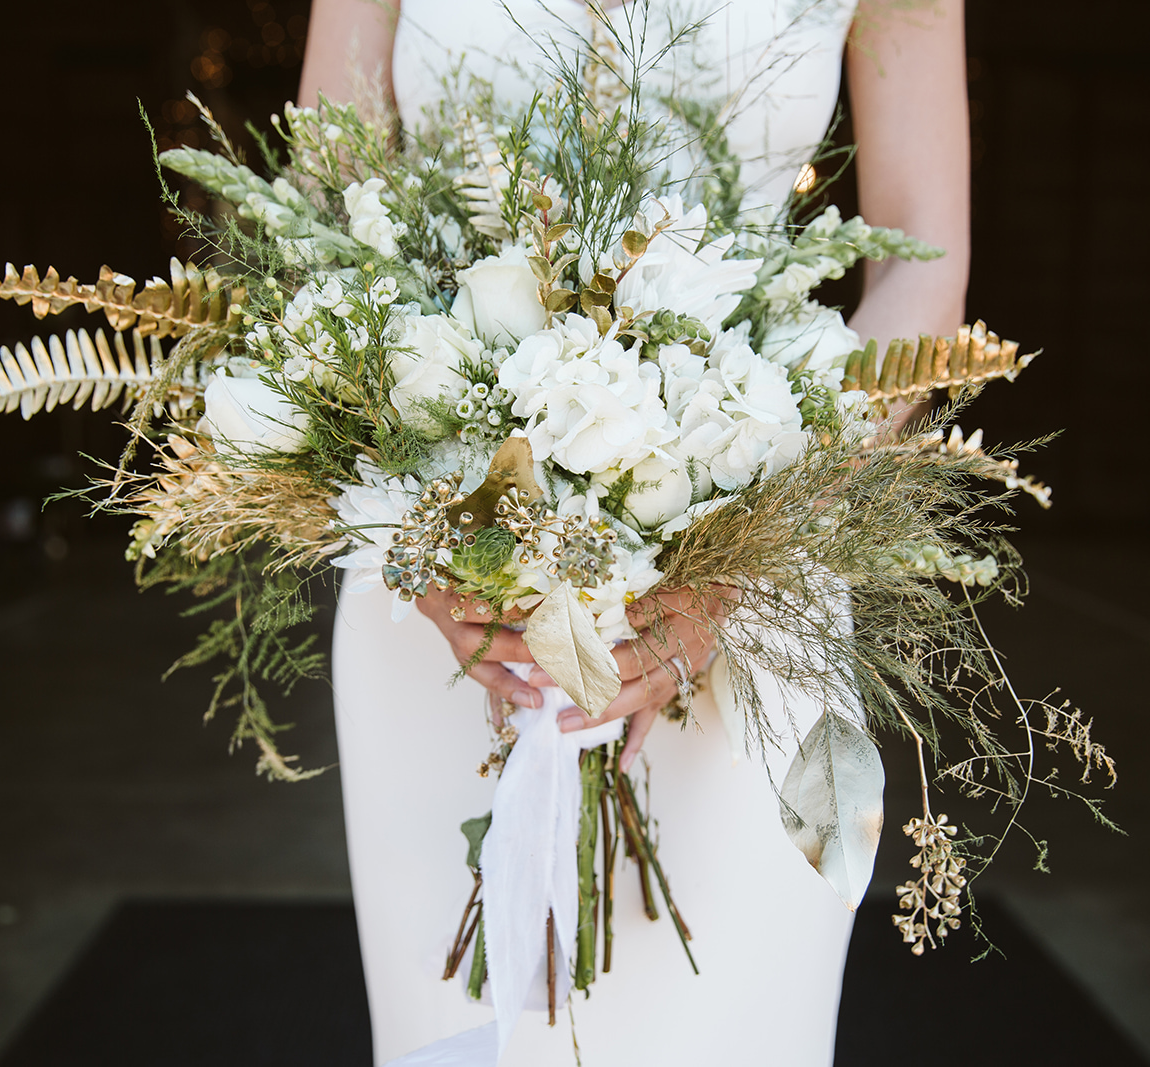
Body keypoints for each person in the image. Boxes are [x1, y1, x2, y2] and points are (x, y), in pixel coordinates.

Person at [306, 2, 970, 1063]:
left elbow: (919, 264)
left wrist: (743, 556)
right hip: (436, 593)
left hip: (759, 579)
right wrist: (428, 538)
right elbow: (323, 219)